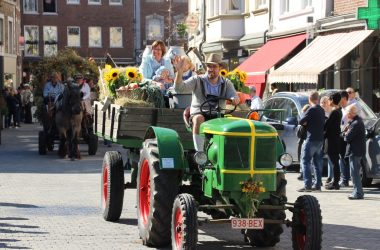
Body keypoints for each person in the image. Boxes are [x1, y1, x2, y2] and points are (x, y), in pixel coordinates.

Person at [173, 53, 239, 152]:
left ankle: (227, 153)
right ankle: (199, 153)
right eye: (209, 66)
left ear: (220, 68)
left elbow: (234, 95)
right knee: (199, 118)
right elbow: (179, 89)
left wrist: (234, 99)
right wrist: (180, 71)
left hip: (218, 115)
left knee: (232, 125)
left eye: (214, 66)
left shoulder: (226, 83)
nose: (211, 69)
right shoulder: (197, 80)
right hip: (199, 113)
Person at [297, 91, 325, 192]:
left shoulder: (311, 109)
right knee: (317, 163)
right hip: (320, 139)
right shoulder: (321, 110)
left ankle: (307, 185)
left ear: (310, 99)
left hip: (311, 138)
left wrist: (306, 123)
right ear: (318, 99)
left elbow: (301, 121)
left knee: (305, 161)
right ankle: (317, 185)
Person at [343, 104, 366, 199]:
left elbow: (347, 138)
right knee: (355, 172)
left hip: (355, 151)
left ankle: (358, 193)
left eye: (347, 113)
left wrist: (345, 134)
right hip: (357, 151)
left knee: (355, 173)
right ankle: (357, 191)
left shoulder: (356, 123)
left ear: (351, 113)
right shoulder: (355, 122)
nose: (346, 115)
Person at [324, 93, 343, 190]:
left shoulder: (334, 112)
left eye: (329, 100)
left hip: (332, 139)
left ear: (332, 100)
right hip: (335, 138)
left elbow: (327, 126)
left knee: (334, 161)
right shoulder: (339, 111)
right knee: (335, 161)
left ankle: (335, 182)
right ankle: (335, 181)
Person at [339, 90, 351, 187]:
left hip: (346, 137)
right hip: (341, 137)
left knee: (344, 159)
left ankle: (345, 179)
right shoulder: (341, 109)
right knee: (342, 158)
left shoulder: (349, 109)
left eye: (341, 100)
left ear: (345, 99)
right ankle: (344, 178)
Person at [297, 104, 310, 181]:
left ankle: (304, 174)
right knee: (302, 157)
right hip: (302, 138)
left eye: (305, 112)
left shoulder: (309, 118)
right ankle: (302, 172)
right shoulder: (304, 118)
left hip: (306, 139)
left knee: (305, 158)